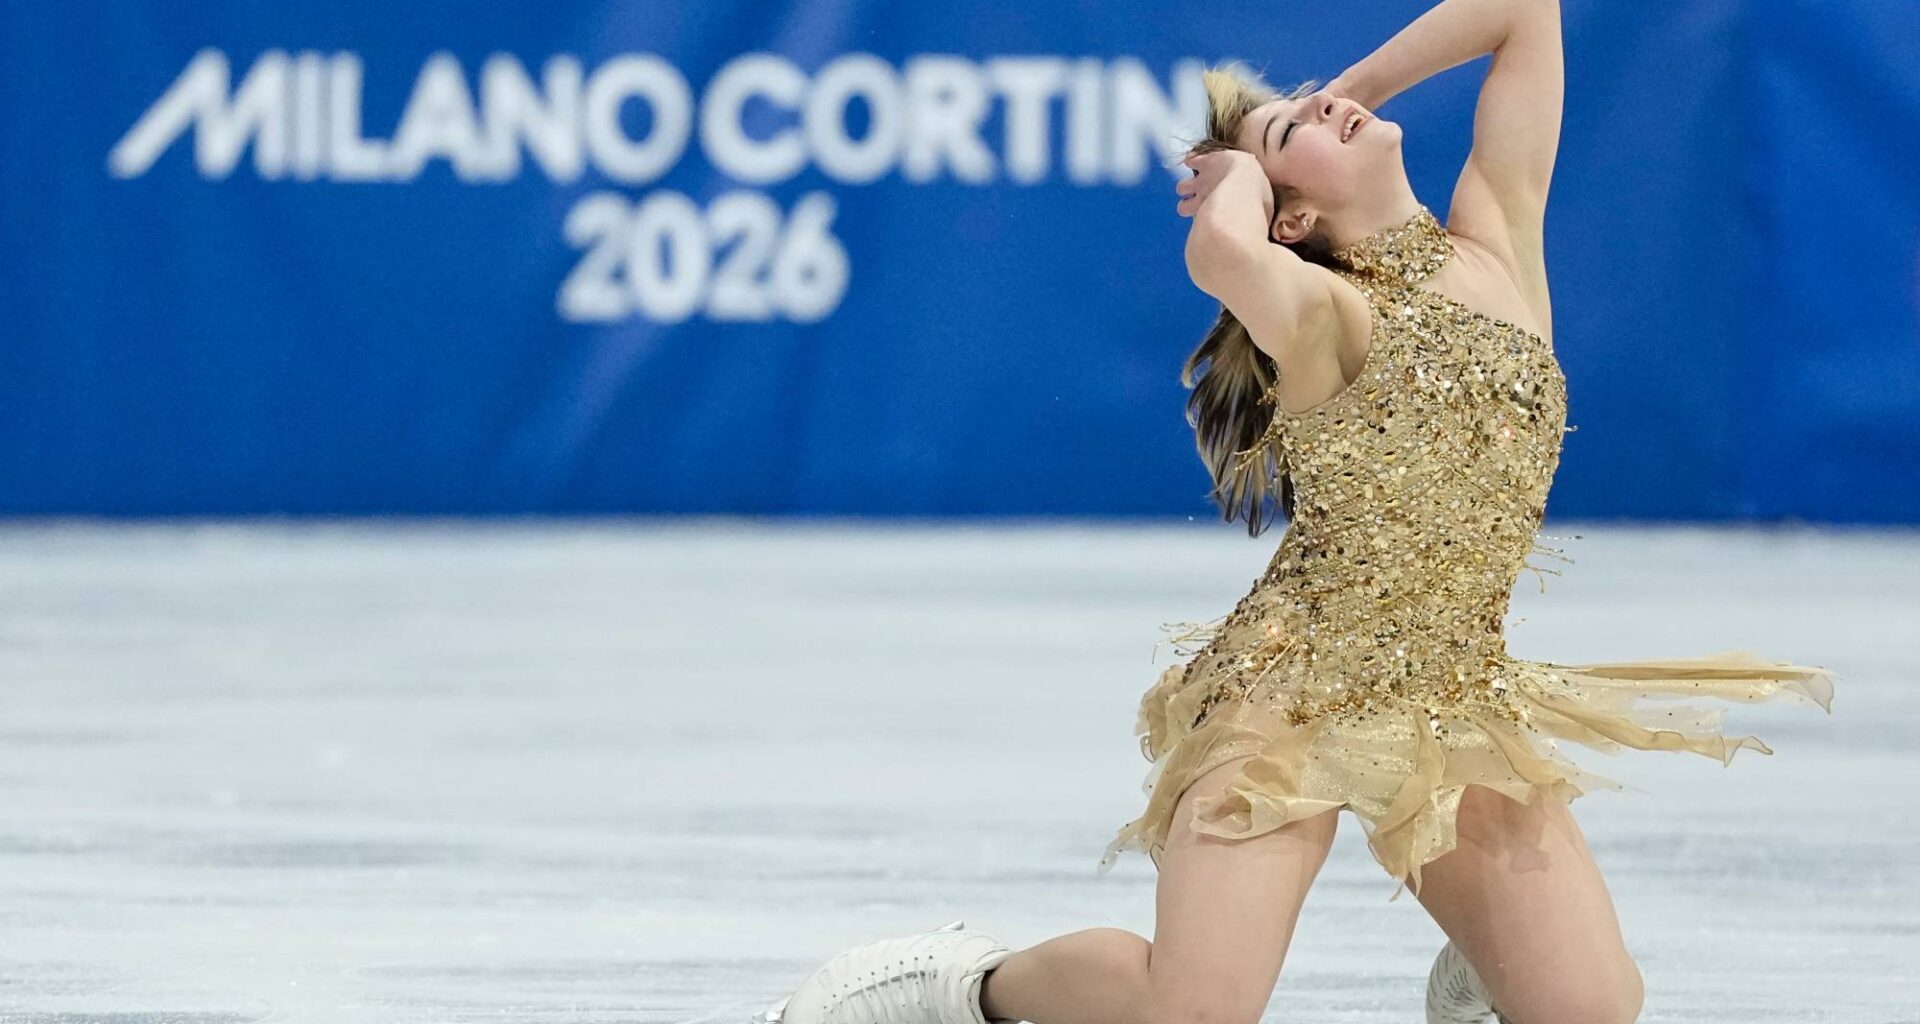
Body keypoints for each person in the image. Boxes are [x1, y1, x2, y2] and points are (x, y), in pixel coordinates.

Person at [758, 2, 1835, 1023]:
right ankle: (965, 984)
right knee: (1196, 1009)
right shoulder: (1324, 314)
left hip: (1449, 689)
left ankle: (1481, 970)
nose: (1324, 108)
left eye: (1315, 102)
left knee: (1596, 1007)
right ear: (1296, 216)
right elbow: (1223, 255)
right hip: (1291, 693)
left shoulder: (1497, 236)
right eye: (1296, 127)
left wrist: (1346, 90)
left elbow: (1525, 11)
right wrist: (1234, 172)